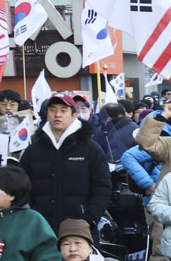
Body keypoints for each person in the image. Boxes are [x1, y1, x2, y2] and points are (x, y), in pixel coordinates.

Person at [21, 95, 114, 234]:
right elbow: (21, 187)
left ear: (73, 115)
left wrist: (90, 218)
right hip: (41, 228)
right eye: (52, 110)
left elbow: (103, 187)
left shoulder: (90, 148)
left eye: (63, 110)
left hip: (80, 229)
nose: (57, 115)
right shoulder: (33, 150)